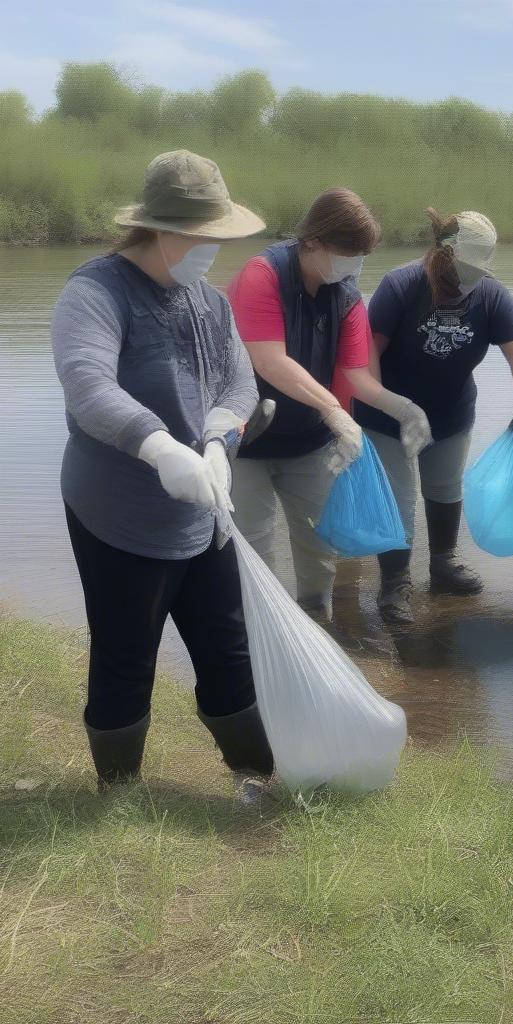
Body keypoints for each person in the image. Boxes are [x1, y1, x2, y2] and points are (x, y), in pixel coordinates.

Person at [50, 150, 274, 791]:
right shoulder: (96, 292)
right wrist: (157, 445)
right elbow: (87, 385)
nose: (210, 249)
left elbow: (238, 380)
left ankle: (253, 777)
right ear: (158, 230)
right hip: (118, 512)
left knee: (227, 646)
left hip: (204, 511)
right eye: (200, 237)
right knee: (127, 653)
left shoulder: (208, 301)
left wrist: (215, 437)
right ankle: (119, 791)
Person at [227, 189, 431, 621]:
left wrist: (403, 408)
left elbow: (355, 376)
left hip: (310, 440)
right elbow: (270, 360)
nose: (354, 263)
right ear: (313, 240)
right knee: (253, 545)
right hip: (247, 438)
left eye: (361, 254)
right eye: (348, 251)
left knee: (318, 545)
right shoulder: (262, 276)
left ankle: (316, 624)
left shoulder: (347, 297)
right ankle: (261, 639)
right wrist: (336, 412)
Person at [353, 208, 513, 625]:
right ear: (446, 254)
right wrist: (391, 405)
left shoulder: (490, 294)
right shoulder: (401, 285)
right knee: (398, 498)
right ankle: (395, 581)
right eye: (468, 267)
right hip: (388, 413)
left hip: (451, 411)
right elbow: (367, 353)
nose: (473, 276)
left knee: (445, 486)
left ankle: (443, 565)